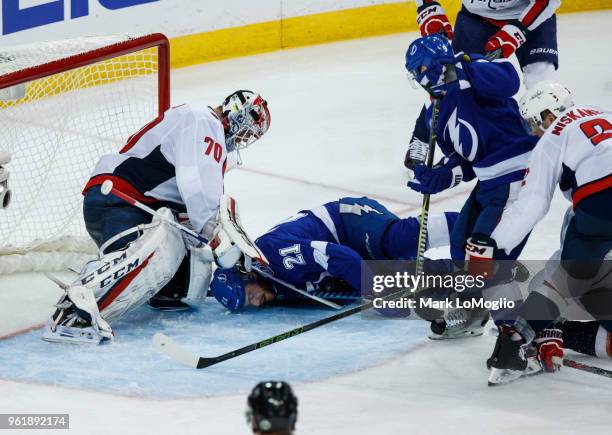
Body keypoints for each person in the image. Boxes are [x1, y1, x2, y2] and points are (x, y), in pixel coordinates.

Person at [42, 90, 271, 344]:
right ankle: (80, 301)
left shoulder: (201, 126)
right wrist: (213, 237)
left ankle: (151, 288)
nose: (246, 137)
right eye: (248, 129)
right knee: (166, 248)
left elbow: (194, 203)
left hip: (125, 204)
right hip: (119, 201)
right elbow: (198, 190)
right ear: (236, 112)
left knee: (188, 279)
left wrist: (206, 242)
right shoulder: (204, 122)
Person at [476, 81, 612, 385]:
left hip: (601, 205)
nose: (534, 132)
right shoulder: (605, 112)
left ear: (547, 116)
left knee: (569, 278)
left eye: (534, 123)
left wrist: (494, 244)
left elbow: (532, 205)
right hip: (597, 212)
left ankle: (516, 341)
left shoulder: (553, 137)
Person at [404, 35, 539, 334]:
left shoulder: (474, 68)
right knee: (459, 242)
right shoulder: (434, 113)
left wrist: (466, 66)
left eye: (419, 71)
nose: (419, 79)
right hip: (490, 181)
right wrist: (439, 176)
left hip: (517, 176)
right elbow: (465, 159)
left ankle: (520, 331)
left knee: (485, 256)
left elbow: (509, 82)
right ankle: (474, 313)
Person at [209, 195, 458, 311]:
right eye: (246, 304)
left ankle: (472, 226)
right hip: (351, 252)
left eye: (248, 295)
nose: (254, 303)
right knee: (409, 276)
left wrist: (371, 288)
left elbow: (337, 256)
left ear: (249, 276)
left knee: (396, 241)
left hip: (347, 223)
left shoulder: (275, 255)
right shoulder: (274, 288)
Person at [406, 0, 560, 168]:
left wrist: (519, 29)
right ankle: (422, 137)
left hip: (531, 13)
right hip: (476, 17)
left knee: (542, 85)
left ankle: (550, 146)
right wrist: (428, 8)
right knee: (447, 79)